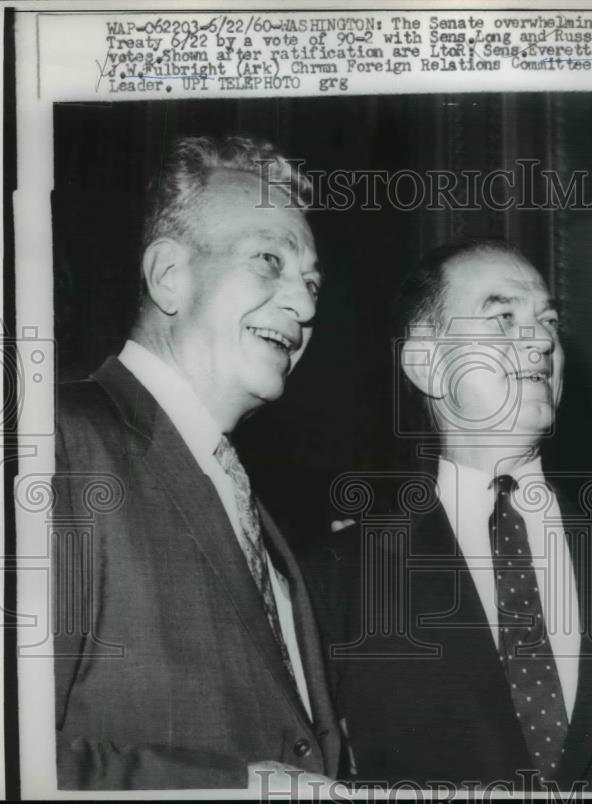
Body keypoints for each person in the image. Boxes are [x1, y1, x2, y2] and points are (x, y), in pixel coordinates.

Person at [53, 135, 342, 790]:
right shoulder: (58, 442)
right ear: (168, 277)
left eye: (313, 283)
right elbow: (2, 756)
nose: (305, 305)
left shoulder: (256, 513)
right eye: (270, 260)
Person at [313, 240, 592, 791]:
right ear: (426, 362)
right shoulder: (337, 576)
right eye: (504, 318)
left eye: (548, 322)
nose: (541, 340)